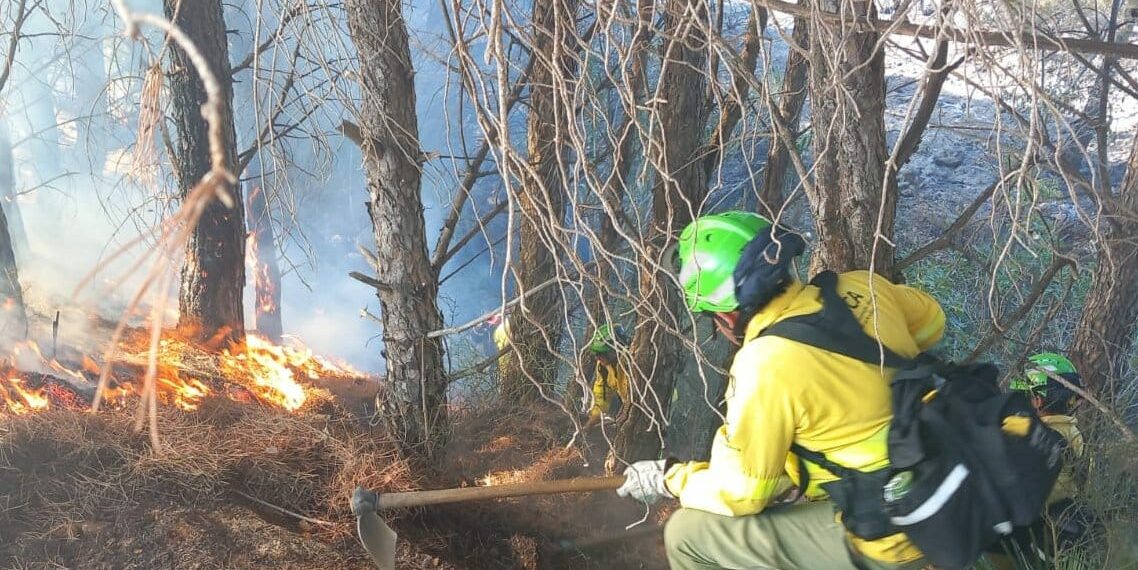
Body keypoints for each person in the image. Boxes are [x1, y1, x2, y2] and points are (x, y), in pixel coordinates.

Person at [614, 211, 946, 570]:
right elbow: (932, 325)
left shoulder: (763, 365)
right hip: (946, 471)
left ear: (725, 316)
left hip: (895, 530)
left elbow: (743, 494)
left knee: (686, 534)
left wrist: (670, 479)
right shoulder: (863, 286)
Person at [995, 352, 1096, 566]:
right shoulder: (1073, 432)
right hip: (1055, 523)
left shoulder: (1041, 434)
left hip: (1039, 530)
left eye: (1028, 395)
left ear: (1038, 399)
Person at [582, 323, 632, 430]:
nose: (597, 358)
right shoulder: (603, 367)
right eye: (596, 353)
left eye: (601, 353)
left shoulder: (632, 362)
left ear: (615, 348)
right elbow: (601, 397)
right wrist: (591, 422)